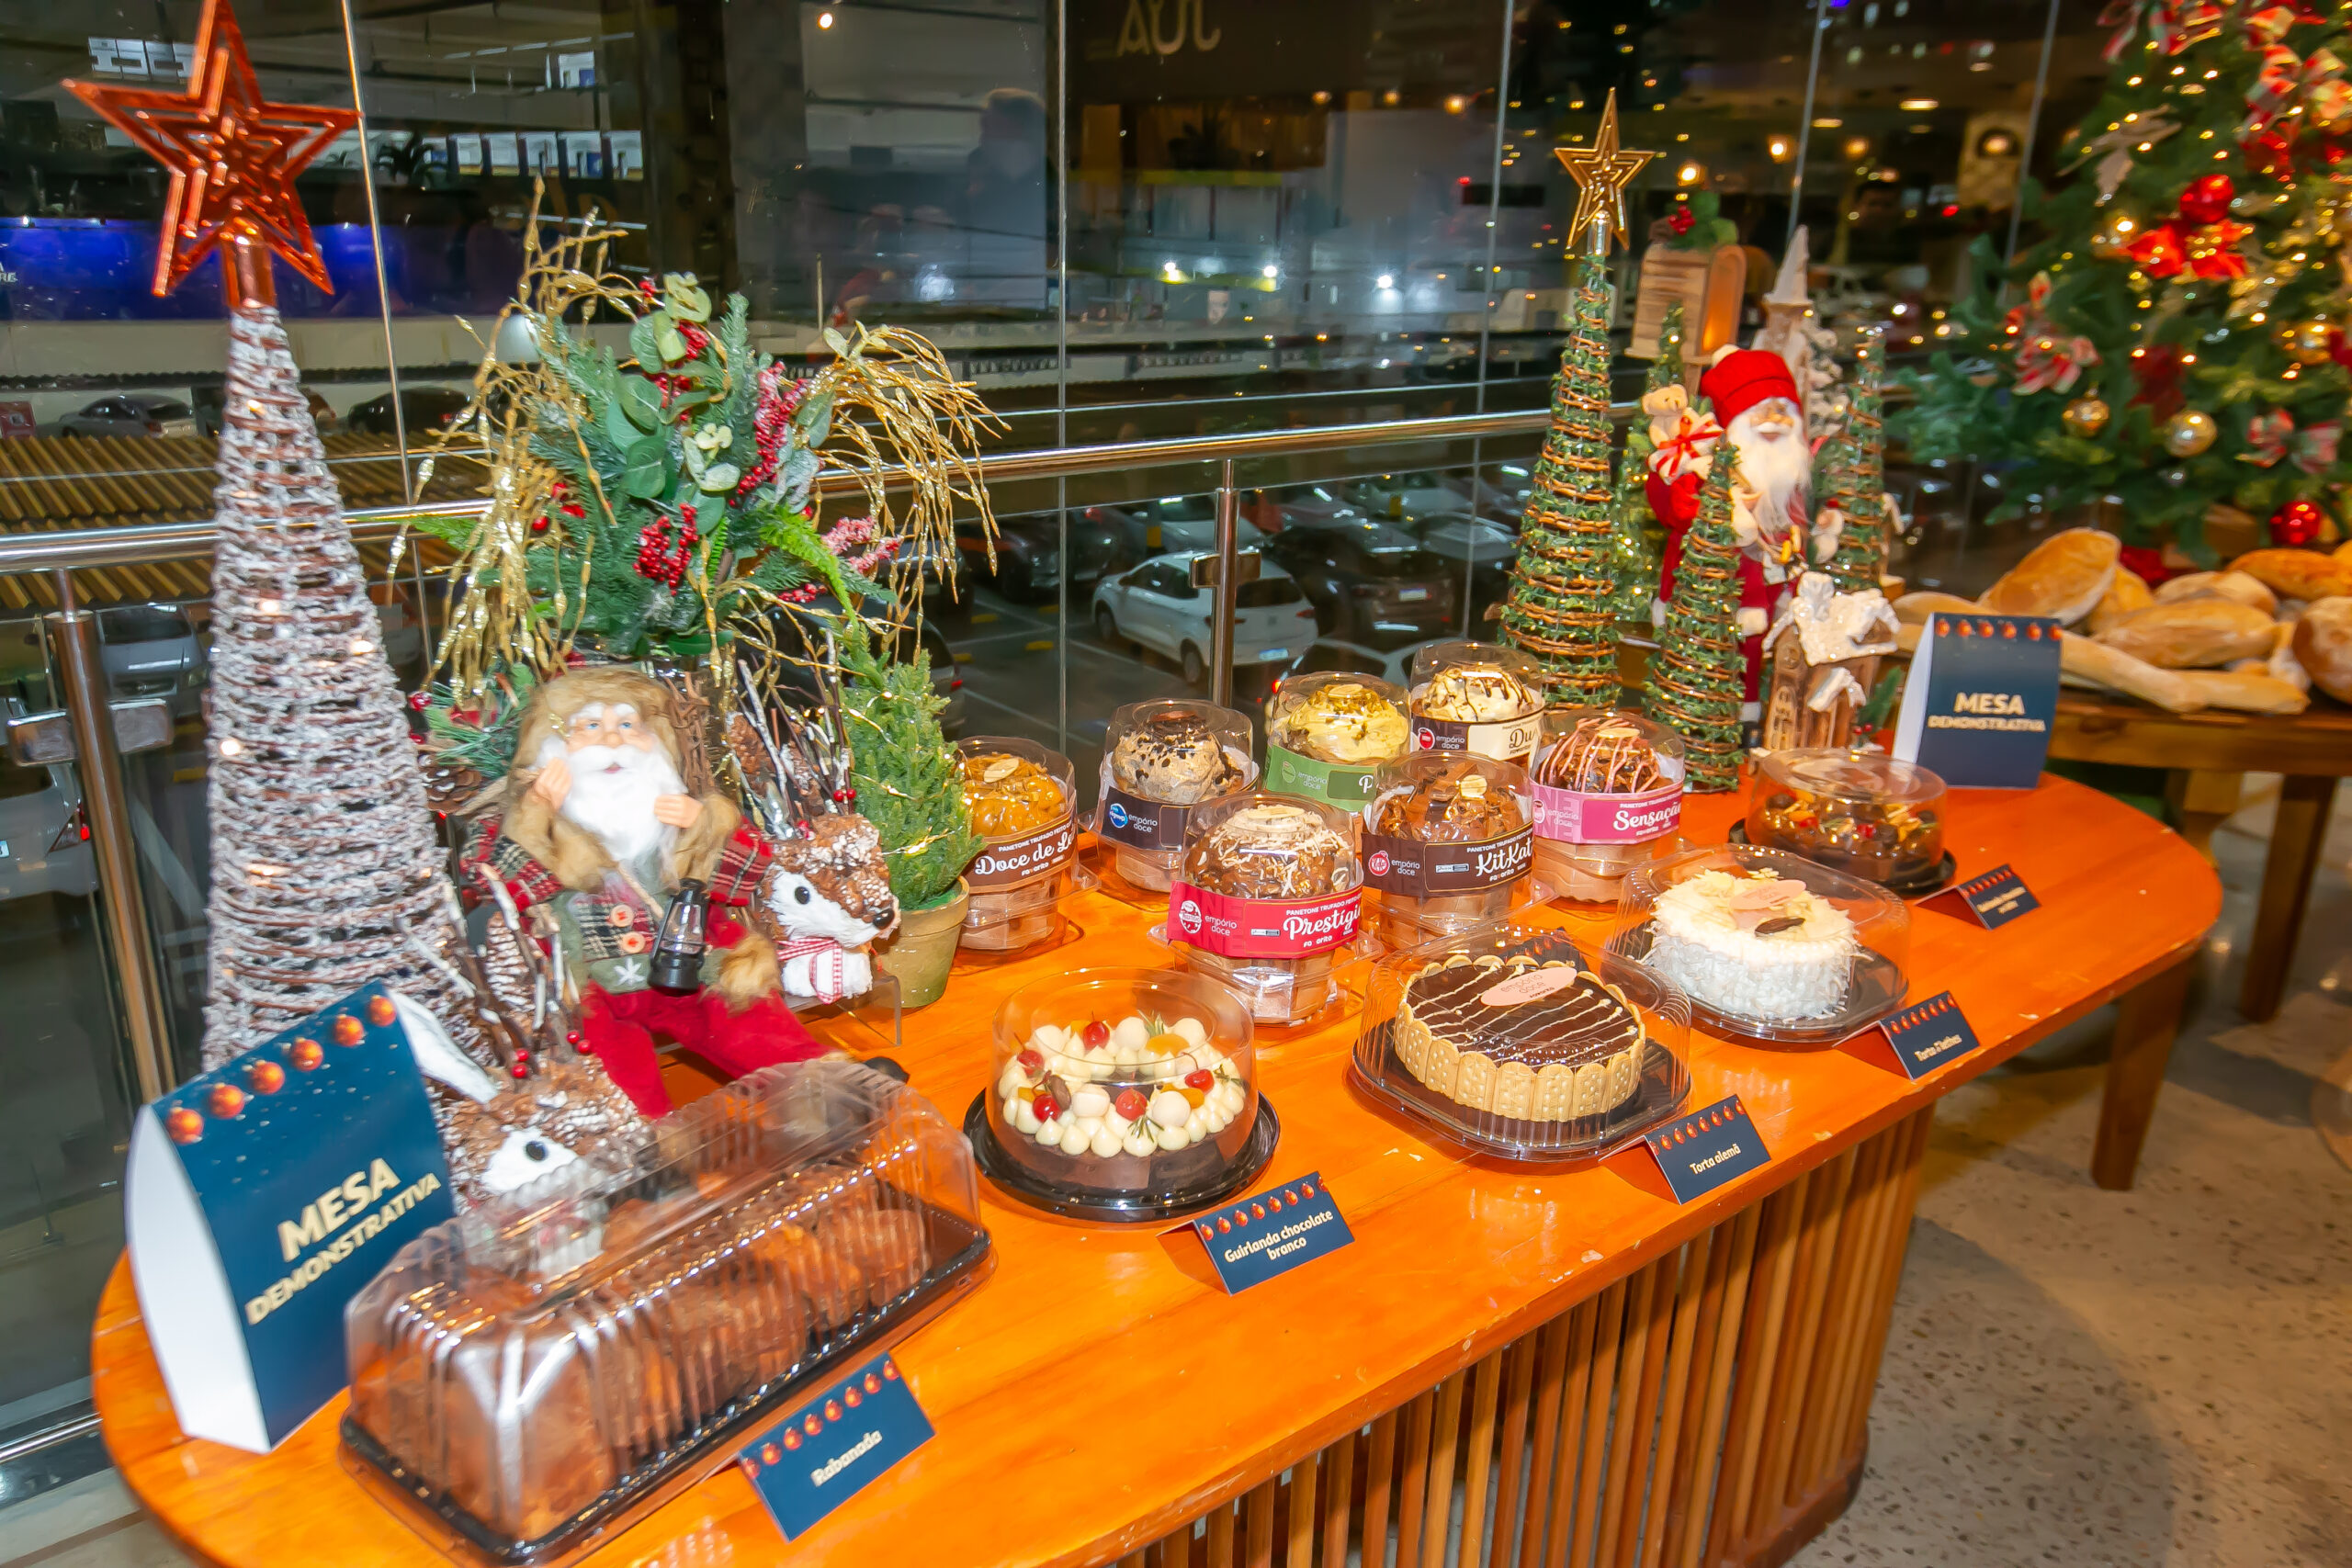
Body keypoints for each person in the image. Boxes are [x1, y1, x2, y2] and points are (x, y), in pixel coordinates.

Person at [465, 668, 824, 1115]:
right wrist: (536, 817)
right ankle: (643, 1142)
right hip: (589, 990)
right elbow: (493, 891)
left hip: (683, 967)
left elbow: (748, 874)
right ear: (552, 747)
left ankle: (824, 1092)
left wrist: (703, 827)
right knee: (616, 1078)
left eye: (627, 724)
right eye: (590, 726)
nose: (613, 742)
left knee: (750, 1017)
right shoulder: (519, 823)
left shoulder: (670, 811)